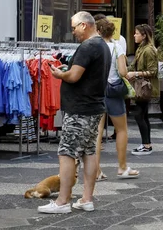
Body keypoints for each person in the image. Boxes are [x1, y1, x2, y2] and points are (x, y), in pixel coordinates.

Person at [39, 11, 111, 214]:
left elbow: (74, 76)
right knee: (88, 151)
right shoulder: (102, 45)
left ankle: (62, 202)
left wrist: (60, 73)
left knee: (67, 152)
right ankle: (86, 199)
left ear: (84, 25)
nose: (73, 32)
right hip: (94, 107)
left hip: (80, 109)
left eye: (74, 27)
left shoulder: (88, 46)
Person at [94, 19, 139, 181]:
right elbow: (122, 71)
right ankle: (122, 167)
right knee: (121, 129)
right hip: (113, 92)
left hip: (97, 92)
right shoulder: (116, 47)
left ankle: (96, 171)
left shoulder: (94, 47)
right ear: (112, 32)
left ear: (98, 31)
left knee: (97, 132)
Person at [126, 24, 159, 156]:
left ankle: (146, 145)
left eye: (137, 33)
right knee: (142, 115)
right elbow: (132, 66)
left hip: (145, 87)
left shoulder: (149, 50)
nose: (134, 35)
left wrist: (136, 74)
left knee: (140, 114)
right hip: (142, 86)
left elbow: (153, 71)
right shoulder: (141, 48)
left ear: (144, 35)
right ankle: (146, 144)